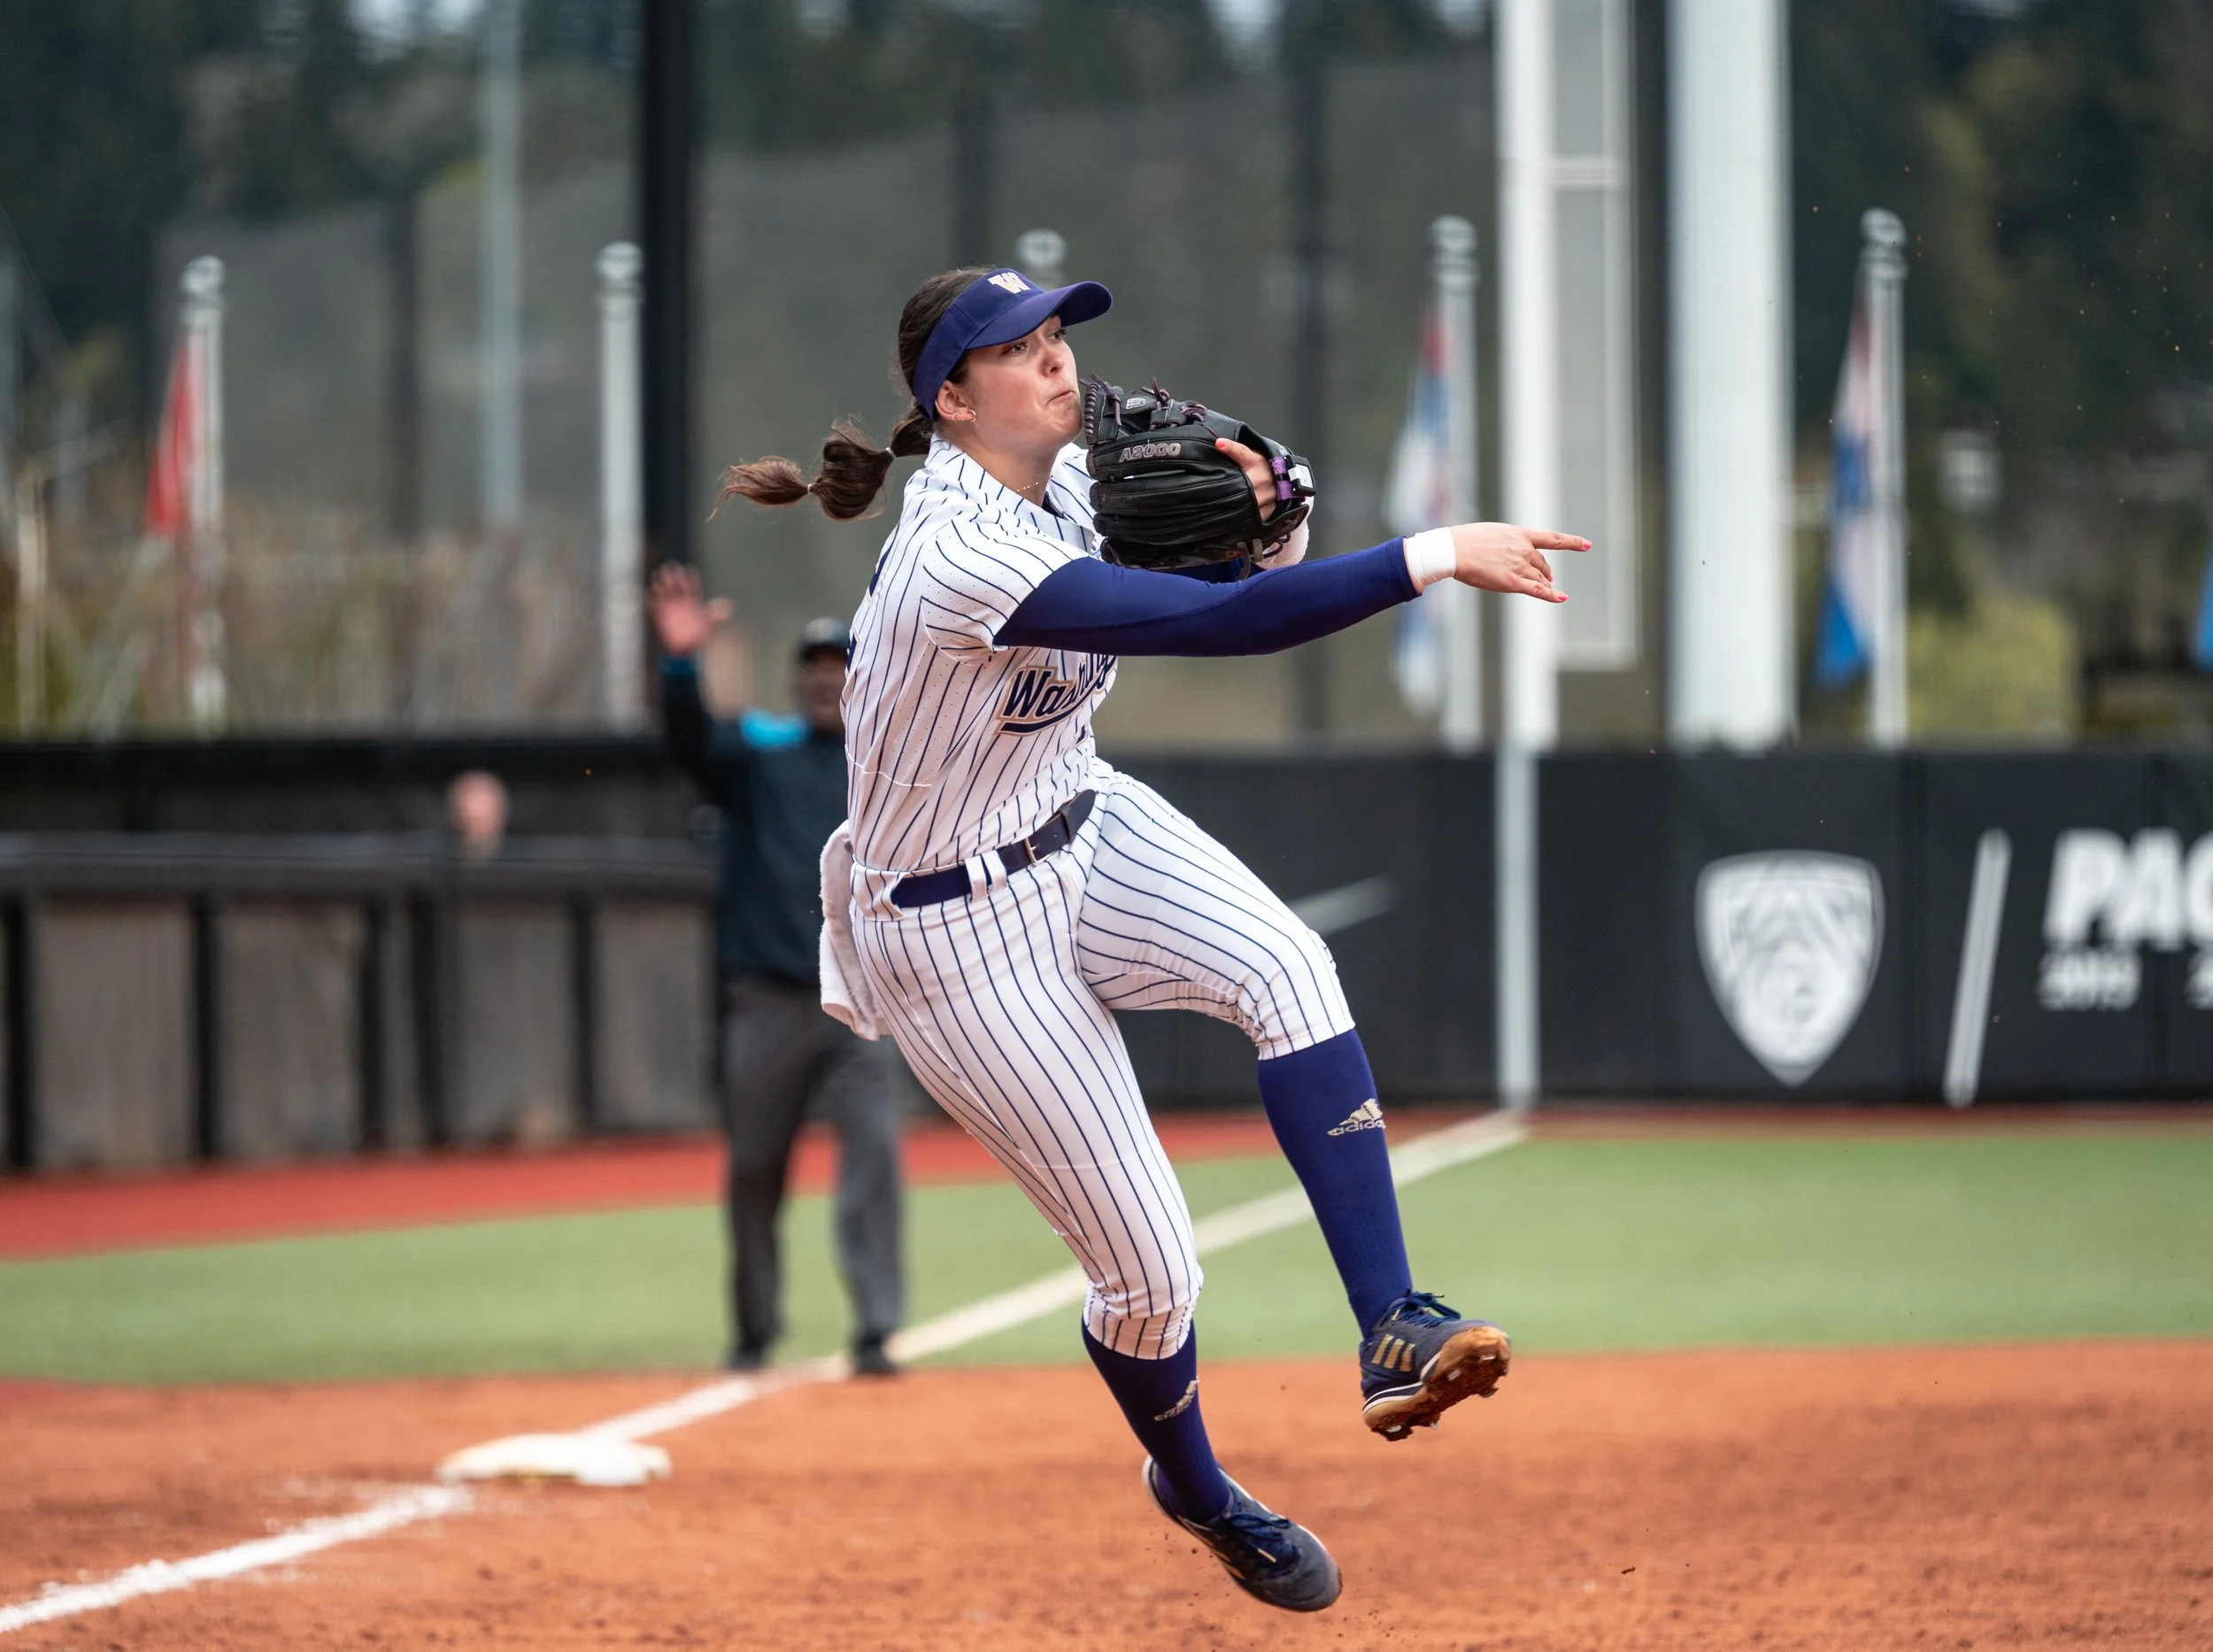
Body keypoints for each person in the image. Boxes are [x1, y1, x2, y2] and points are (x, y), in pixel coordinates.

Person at [719, 266, 1586, 1611]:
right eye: (1020, 349)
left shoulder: (1068, 475)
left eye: (1059, 334)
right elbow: (1223, 623)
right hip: (952, 934)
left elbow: (1241, 567)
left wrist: (1275, 522)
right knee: (1150, 1278)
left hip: (1079, 811)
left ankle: (1393, 1328)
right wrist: (1434, 553)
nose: (1059, 363)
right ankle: (1198, 1484)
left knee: (1290, 967)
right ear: (951, 399)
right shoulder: (962, 551)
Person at [649, 575, 905, 1378]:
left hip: (864, 1002)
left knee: (874, 1157)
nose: (827, 677)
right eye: (815, 666)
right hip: (767, 996)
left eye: (841, 666)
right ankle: (754, 1330)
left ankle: (874, 1329)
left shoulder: (887, 769)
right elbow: (690, 744)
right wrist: (681, 667)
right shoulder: (760, 754)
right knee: (755, 1167)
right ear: (798, 680)